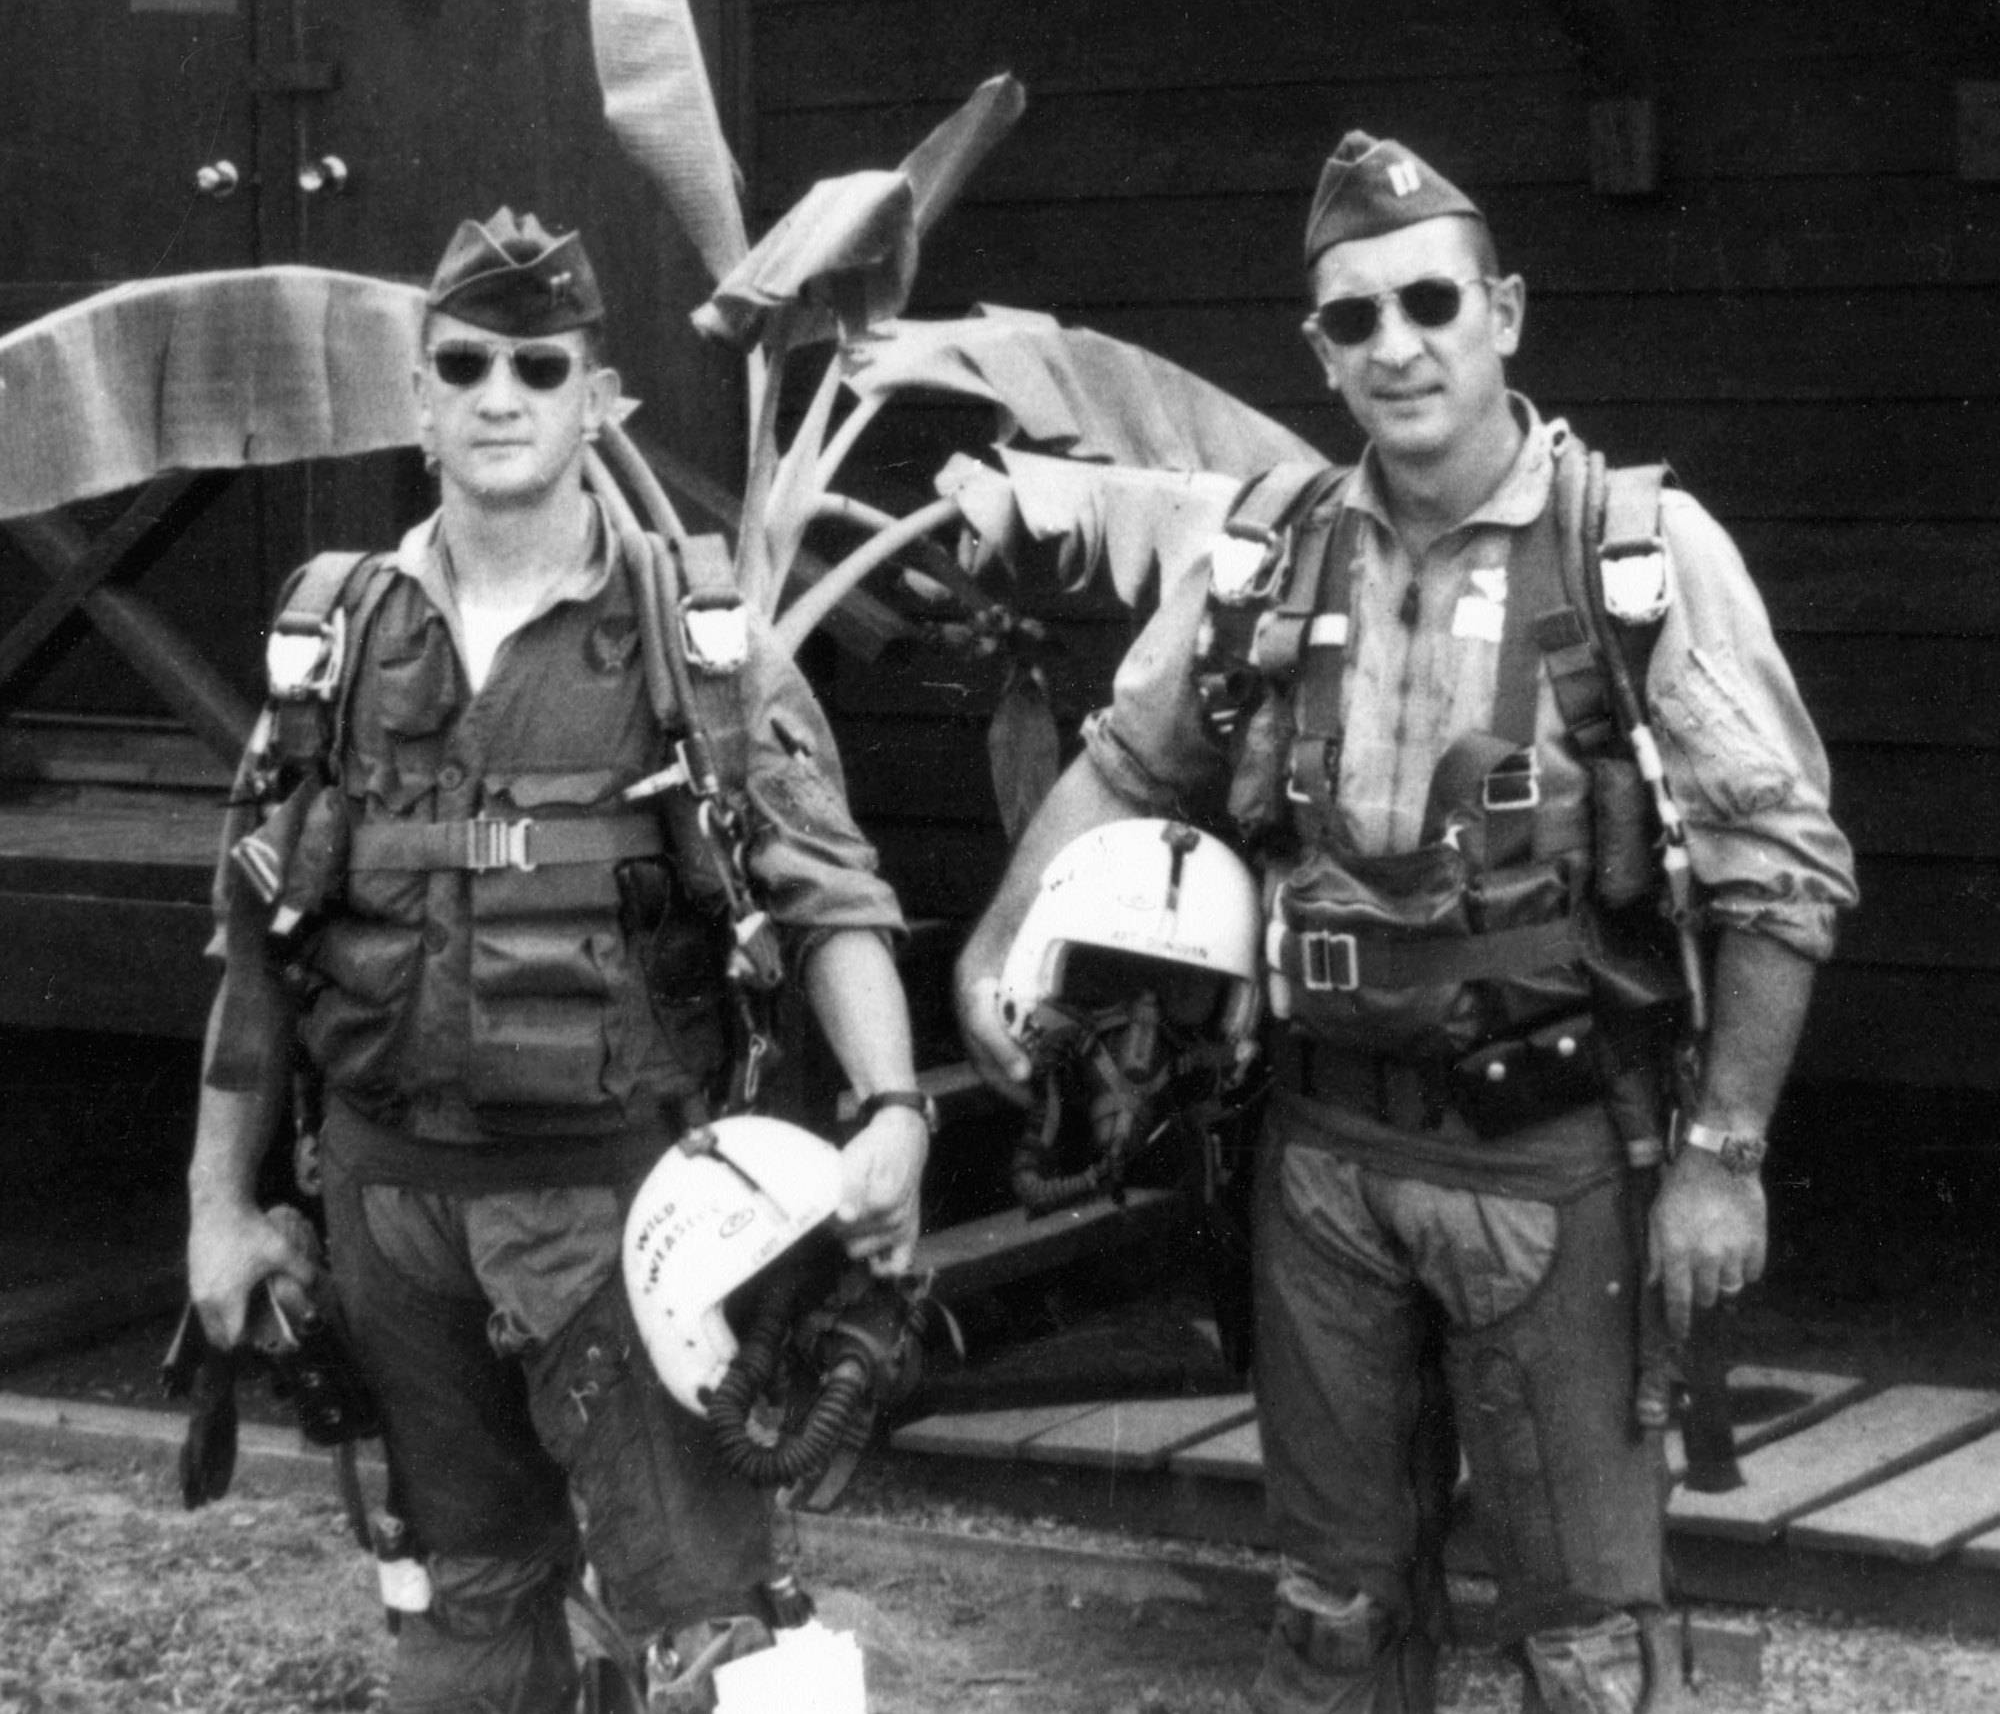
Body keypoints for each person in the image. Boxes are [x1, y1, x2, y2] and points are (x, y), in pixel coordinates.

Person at [955, 135, 1857, 1713]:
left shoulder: (1633, 554)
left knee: (1583, 1644)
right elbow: (1123, 762)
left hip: (1554, 1167)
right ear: (1319, 350)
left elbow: (1783, 865)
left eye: (1429, 300)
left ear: (1502, 309)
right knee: (1331, 1622)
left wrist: (1723, 1160)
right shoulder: (1267, 553)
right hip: (1320, 1174)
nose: (1396, 344)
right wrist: (990, 945)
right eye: (1352, 320)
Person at [185, 208, 932, 1714]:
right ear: (419, 401)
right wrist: (217, 1204)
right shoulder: (332, 644)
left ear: (603, 400)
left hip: (623, 1220)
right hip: (393, 1219)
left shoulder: (696, 645)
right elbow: (253, 955)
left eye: (541, 363)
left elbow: (830, 896)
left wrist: (896, 1107)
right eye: (463, 364)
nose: (500, 393)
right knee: (466, 1614)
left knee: (716, 1639)